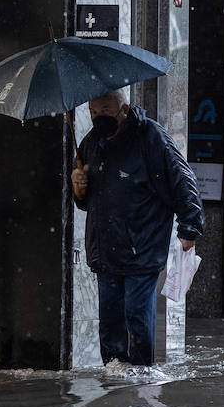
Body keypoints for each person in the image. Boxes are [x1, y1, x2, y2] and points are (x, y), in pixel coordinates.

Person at [70, 88, 204, 366]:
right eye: (93, 112)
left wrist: (189, 227)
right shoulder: (91, 144)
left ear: (124, 109)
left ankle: (141, 376)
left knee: (137, 319)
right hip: (105, 250)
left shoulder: (151, 137)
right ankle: (114, 376)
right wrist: (78, 187)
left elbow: (182, 180)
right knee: (110, 323)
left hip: (142, 247)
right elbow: (85, 203)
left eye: (105, 110)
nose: (98, 117)